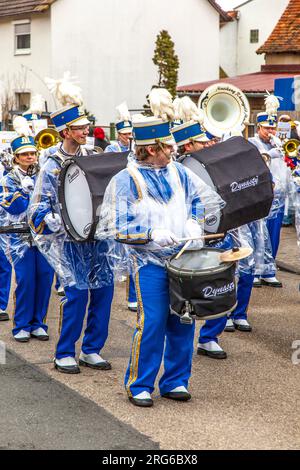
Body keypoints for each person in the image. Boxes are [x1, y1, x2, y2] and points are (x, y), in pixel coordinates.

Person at [97, 89, 210, 407]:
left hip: (184, 260)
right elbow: (116, 227)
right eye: (166, 148)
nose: (172, 152)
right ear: (150, 150)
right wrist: (150, 234)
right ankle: (139, 383)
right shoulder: (126, 179)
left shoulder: (180, 172)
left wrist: (195, 224)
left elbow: (202, 202)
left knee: (183, 320)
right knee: (153, 321)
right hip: (150, 263)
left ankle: (175, 380)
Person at [29, 99, 114, 374]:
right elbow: (38, 210)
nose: (85, 131)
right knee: (76, 296)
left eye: (86, 127)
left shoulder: (94, 156)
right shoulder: (51, 165)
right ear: (65, 131)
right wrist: (62, 222)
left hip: (98, 240)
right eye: (79, 128)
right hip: (70, 243)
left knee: (103, 293)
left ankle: (91, 350)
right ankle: (65, 352)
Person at [0, 118, 54, 342]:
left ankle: (38, 322)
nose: (29, 157)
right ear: (16, 157)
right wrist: (23, 191)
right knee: (25, 280)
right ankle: (21, 324)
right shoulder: (8, 178)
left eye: (32, 153)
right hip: (20, 237)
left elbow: (51, 199)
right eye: (24, 154)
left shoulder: (43, 175)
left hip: (42, 235)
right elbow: (14, 207)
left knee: (44, 278)